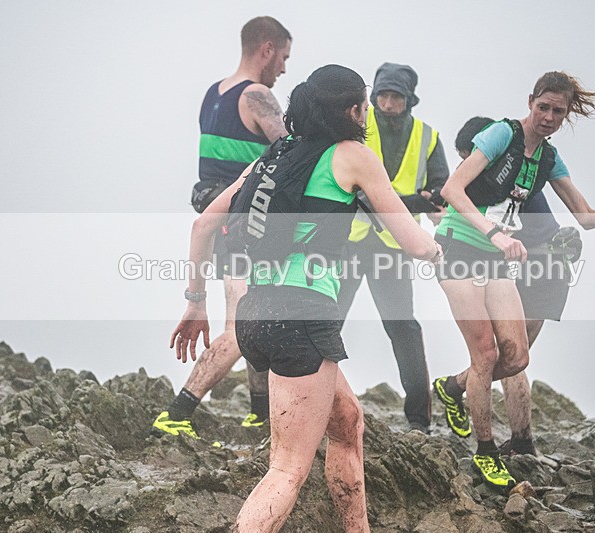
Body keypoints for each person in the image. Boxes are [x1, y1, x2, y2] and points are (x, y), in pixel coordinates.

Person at [170, 64, 442, 533]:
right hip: (301, 320)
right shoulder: (353, 155)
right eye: (363, 108)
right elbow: (415, 243)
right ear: (354, 110)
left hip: (255, 316)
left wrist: (196, 303)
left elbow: (203, 225)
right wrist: (439, 248)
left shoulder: (275, 155)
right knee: (287, 469)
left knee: (348, 422)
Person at [432, 71, 595, 492]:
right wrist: (495, 234)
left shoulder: (548, 159)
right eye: (542, 107)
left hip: (495, 257)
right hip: (458, 247)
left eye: (557, 112)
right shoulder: (498, 135)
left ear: (566, 116)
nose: (548, 117)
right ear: (530, 101)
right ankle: (486, 453)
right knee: (485, 354)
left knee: (518, 358)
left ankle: (453, 387)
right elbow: (453, 189)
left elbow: (584, 216)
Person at [153, 16, 292, 441]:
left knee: (249, 310)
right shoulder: (258, 95)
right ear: (266, 49)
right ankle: (178, 412)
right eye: (284, 57)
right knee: (242, 324)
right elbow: (289, 153)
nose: (284, 69)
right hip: (240, 220)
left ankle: (258, 411)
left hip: (218, 213)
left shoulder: (214, 93)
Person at [433, 116, 583, 457]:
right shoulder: (511, 175)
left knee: (507, 357)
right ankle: (519, 440)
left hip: (537, 266)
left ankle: (514, 437)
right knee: (502, 356)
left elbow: (495, 222)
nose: (466, 167)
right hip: (542, 265)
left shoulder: (508, 176)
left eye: (467, 157)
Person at [338, 63, 450, 434]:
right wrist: (412, 202)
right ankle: (316, 400)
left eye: (395, 96)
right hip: (351, 242)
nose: (387, 103)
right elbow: (347, 183)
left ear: (409, 100)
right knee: (328, 322)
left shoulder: (428, 137)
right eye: (382, 95)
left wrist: (419, 201)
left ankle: (418, 420)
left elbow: (440, 194)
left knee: (402, 327)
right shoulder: (356, 125)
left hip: (393, 247)